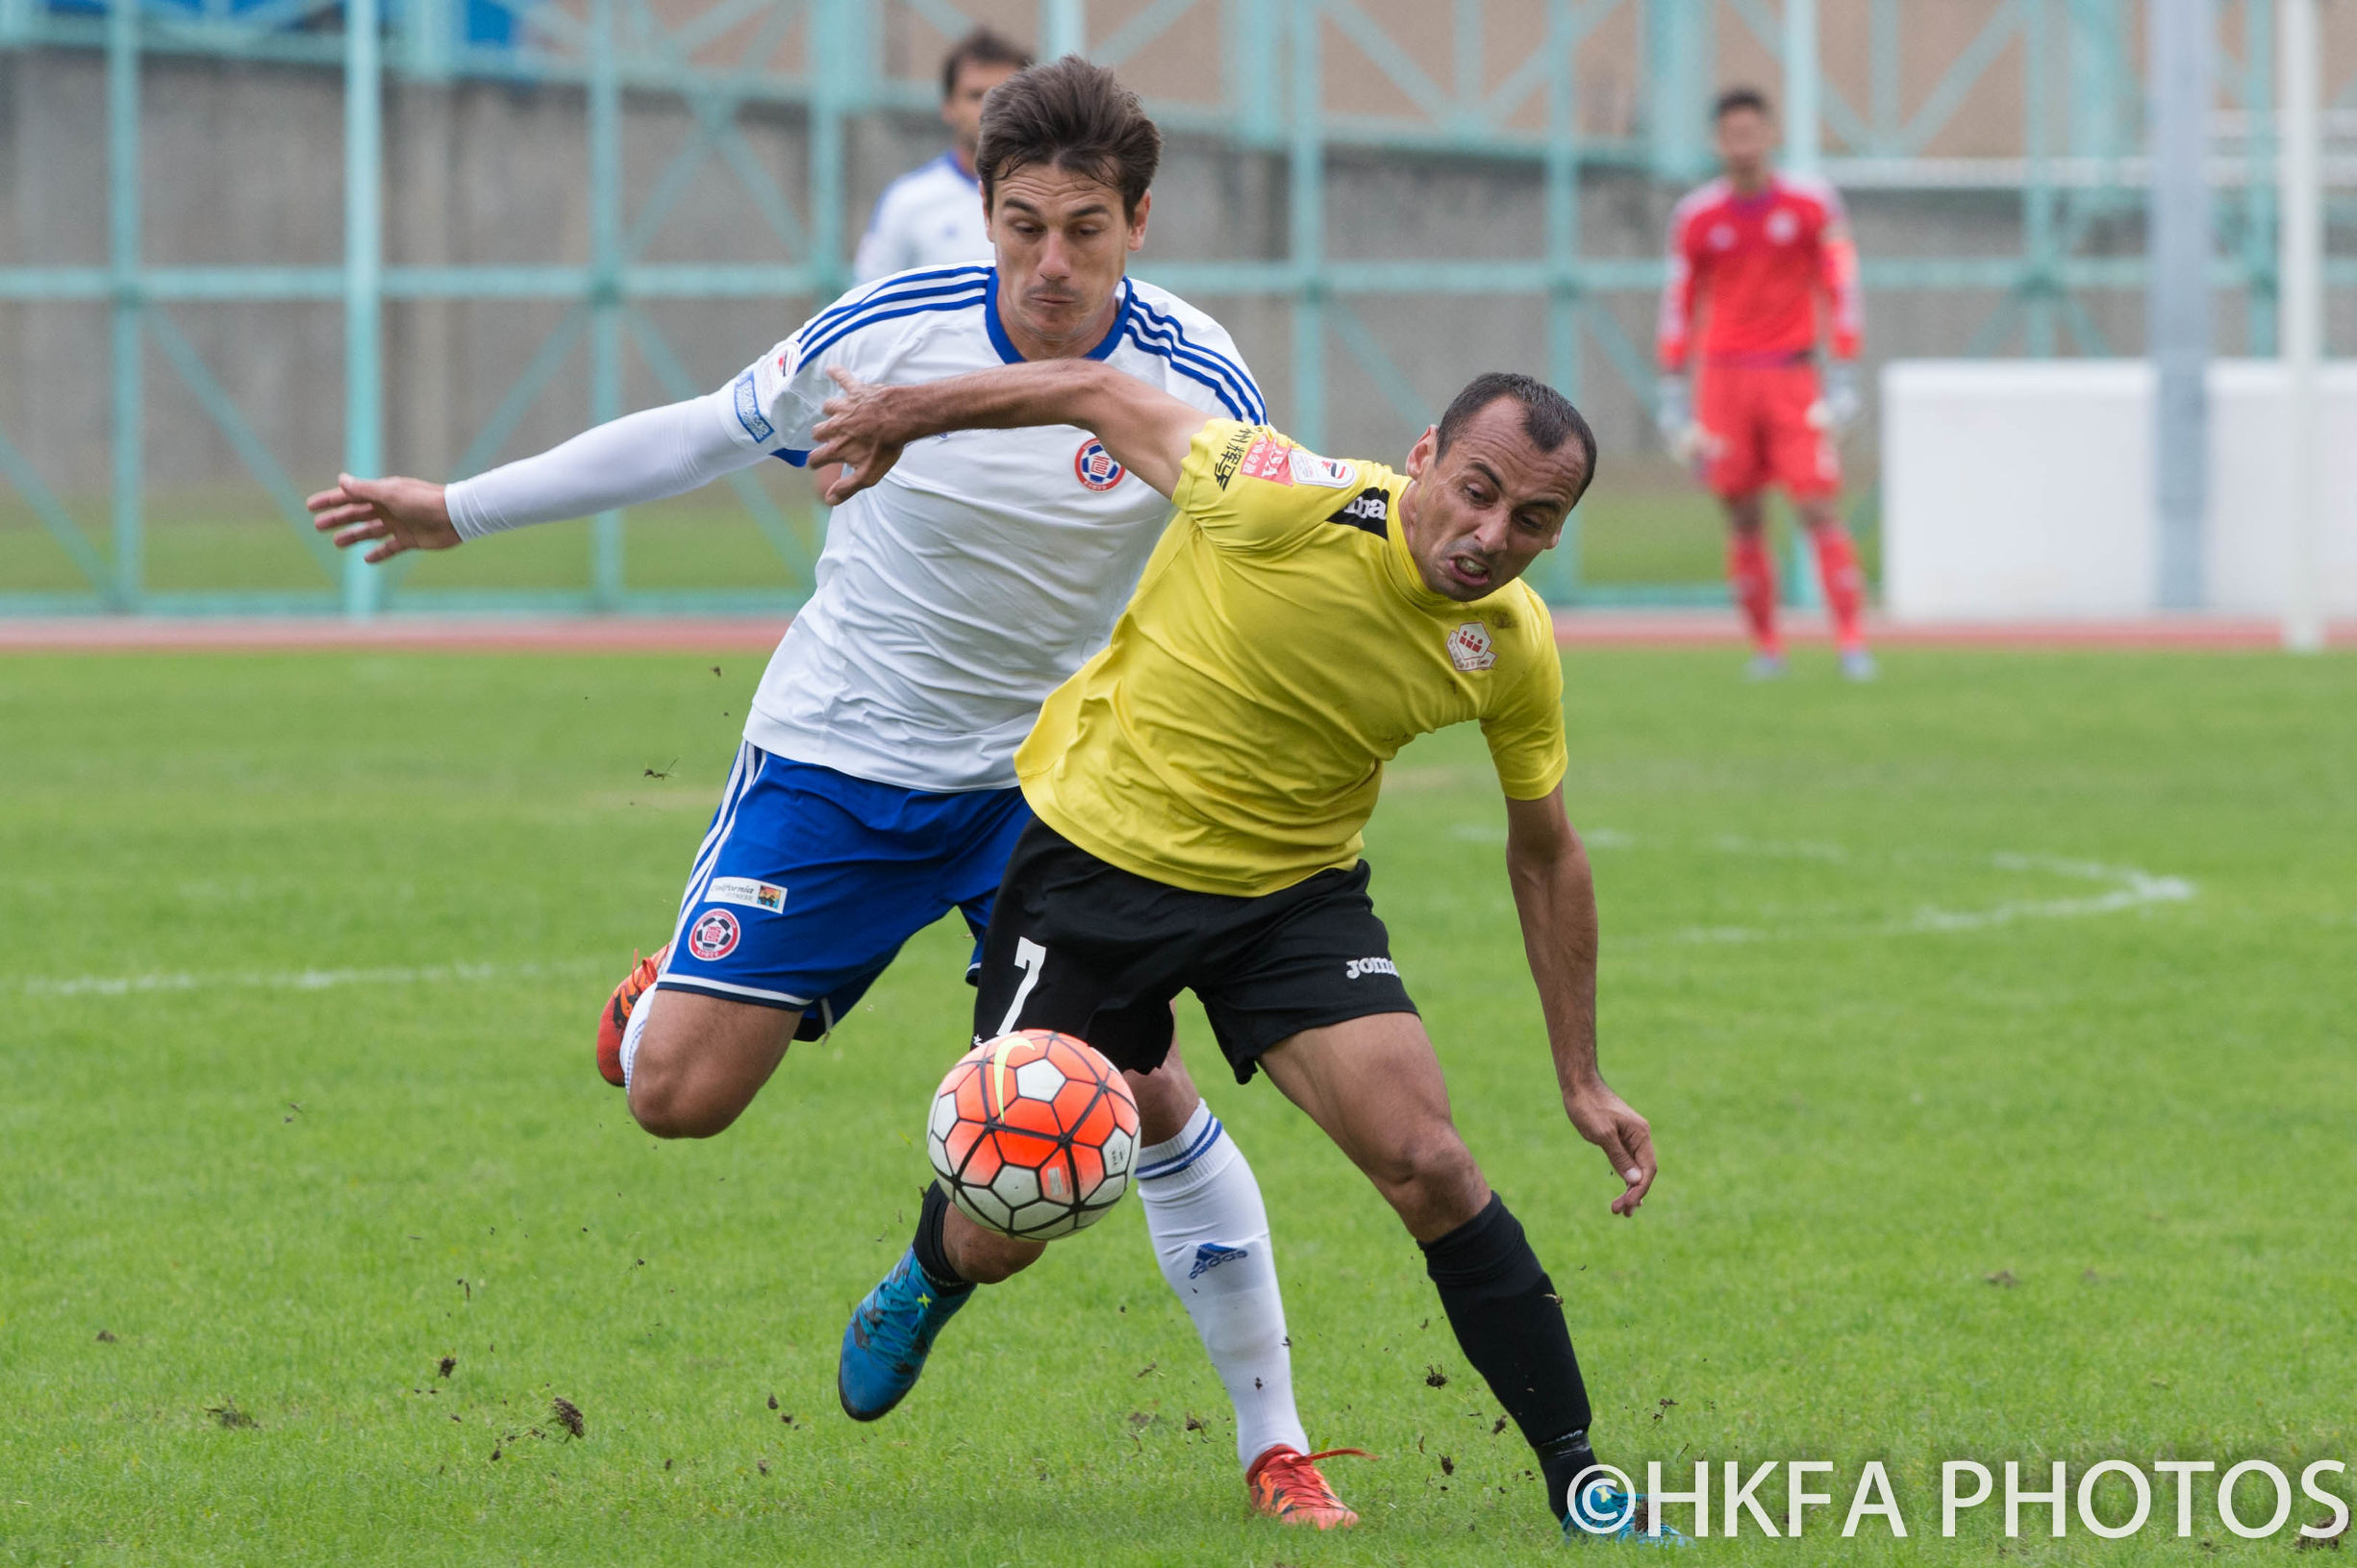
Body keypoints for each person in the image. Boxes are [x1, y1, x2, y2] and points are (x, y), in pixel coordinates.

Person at [306, 57, 1363, 1531]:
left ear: (1139, 223)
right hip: (839, 760)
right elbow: (697, 429)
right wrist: (460, 507)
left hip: (1055, 796)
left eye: (1085, 228)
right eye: (1021, 225)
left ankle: (1269, 1442)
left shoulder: (1195, 373)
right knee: (675, 1097)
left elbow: (1278, 542)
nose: (1050, 262)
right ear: (982, 212)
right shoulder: (890, 331)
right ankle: (662, 994)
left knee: (1094, 1119)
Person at [808, 358, 1685, 1545]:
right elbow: (1095, 394)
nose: (1491, 535)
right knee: (1006, 1223)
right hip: (1095, 871)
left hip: (1289, 897)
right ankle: (932, 1272)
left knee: (1430, 1161)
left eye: (1534, 519)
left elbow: (1550, 854)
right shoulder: (1283, 496)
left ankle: (1580, 1478)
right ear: (1422, 455)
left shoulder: (1510, 643)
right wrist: (907, 413)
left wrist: (1581, 1076)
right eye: (1477, 490)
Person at [1655, 86, 1873, 681]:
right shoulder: (1698, 215)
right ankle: (1768, 648)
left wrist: (1845, 369)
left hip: (1792, 376)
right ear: (1717, 142)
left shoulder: (1811, 205)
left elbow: (1840, 282)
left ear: (1769, 135)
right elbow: (1679, 300)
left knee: (1817, 505)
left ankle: (1852, 641)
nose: (1742, 145)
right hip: (1723, 381)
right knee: (1742, 513)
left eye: (1752, 133)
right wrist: (1673, 387)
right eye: (1732, 135)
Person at [851, 29, 1030, 284]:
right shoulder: (908, 201)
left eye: (1004, 95)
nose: (990, 108)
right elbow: (866, 299)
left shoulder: (1053, 199)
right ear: (948, 105)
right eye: (975, 95)